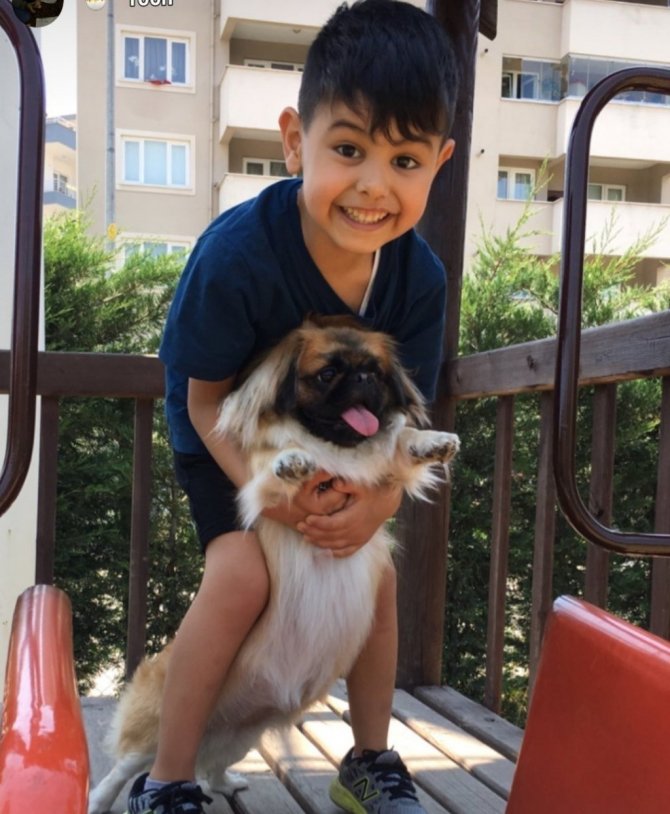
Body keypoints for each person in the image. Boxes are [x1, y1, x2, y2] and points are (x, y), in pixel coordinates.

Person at [126, 1, 460, 812]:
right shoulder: (237, 254)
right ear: (293, 139)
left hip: (349, 452)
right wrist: (270, 495)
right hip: (225, 441)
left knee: (377, 579)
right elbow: (204, 403)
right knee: (241, 576)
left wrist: (376, 502)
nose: (374, 184)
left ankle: (370, 759)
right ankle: (166, 776)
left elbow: (402, 421)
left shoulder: (419, 281)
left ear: (440, 163)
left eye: (405, 160)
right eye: (348, 149)